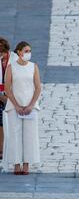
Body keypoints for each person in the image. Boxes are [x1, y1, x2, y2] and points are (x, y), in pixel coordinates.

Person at [4, 41, 41, 175]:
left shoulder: (33, 67)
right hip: (15, 106)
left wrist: (31, 105)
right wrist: (16, 105)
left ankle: (27, 163)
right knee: (15, 133)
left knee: (30, 135)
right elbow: (7, 88)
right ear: (19, 52)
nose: (28, 53)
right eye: (26, 51)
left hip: (30, 106)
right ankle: (16, 163)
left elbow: (38, 88)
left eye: (29, 51)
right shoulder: (11, 68)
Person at [0, 37, 17, 160]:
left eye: (2, 54)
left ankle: (11, 148)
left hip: (13, 95)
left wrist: (8, 96)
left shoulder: (15, 60)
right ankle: (1, 148)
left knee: (12, 121)